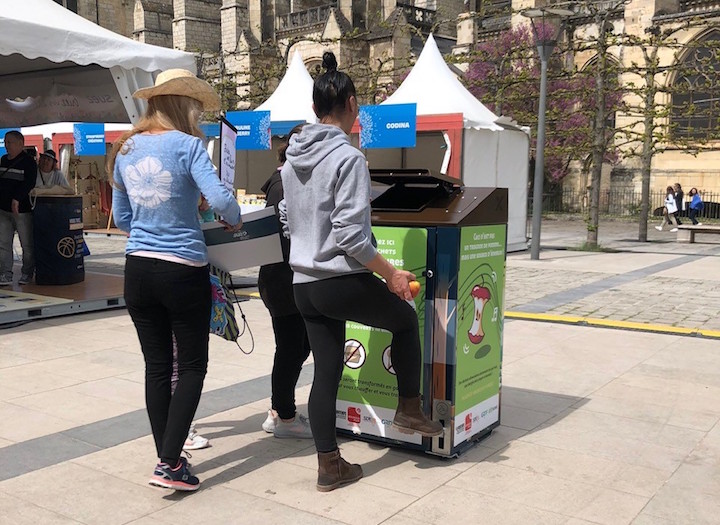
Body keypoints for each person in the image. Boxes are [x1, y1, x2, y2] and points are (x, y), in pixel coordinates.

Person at [280, 51, 443, 493]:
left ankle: (329, 466)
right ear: (351, 103)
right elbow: (351, 237)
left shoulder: (292, 159)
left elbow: (289, 217)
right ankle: (409, 408)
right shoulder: (348, 159)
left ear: (316, 108)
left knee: (327, 369)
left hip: (303, 284)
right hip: (338, 279)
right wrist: (390, 273)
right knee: (406, 321)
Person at [108, 69, 242, 491]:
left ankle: (168, 457)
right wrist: (233, 217)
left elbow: (123, 217)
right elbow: (221, 200)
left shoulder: (125, 148)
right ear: (184, 105)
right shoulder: (188, 146)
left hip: (137, 269)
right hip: (182, 268)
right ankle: (169, 462)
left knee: (156, 366)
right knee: (192, 366)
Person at [258, 124, 312, 439]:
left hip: (291, 279)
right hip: (283, 281)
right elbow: (285, 235)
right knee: (292, 347)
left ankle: (279, 409)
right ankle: (283, 416)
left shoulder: (292, 180)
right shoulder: (282, 185)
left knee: (299, 346)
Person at [0, 130, 37, 286]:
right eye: (5, 142)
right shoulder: (3, 160)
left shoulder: (28, 162)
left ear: (21, 144)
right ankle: (5, 273)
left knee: (26, 244)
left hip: (22, 211)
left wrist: (17, 199)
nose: (7, 146)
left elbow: (29, 183)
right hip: (3, 209)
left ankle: (27, 272)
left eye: (10, 142)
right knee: (3, 243)